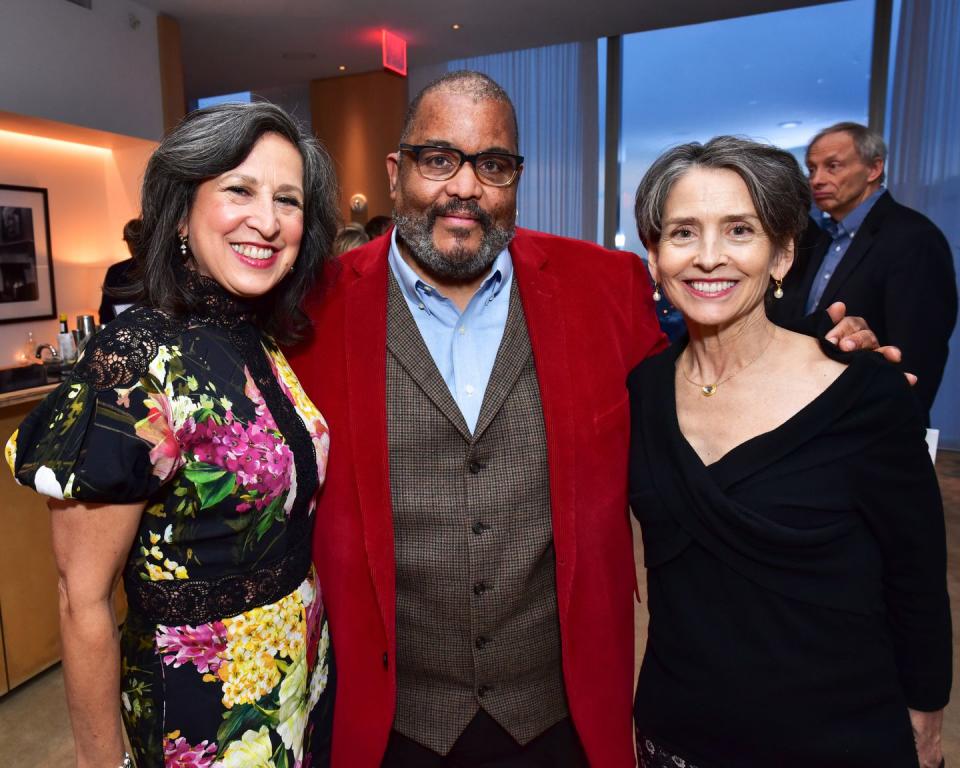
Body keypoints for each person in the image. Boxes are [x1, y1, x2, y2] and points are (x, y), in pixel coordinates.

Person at [287, 71, 884, 768]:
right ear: (397, 172)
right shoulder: (312, 314)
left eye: (494, 165)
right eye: (439, 159)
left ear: (516, 178)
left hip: (560, 716)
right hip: (389, 720)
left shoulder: (606, 287)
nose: (465, 188)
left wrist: (820, 362)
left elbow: (710, 389)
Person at [6, 102, 339, 768]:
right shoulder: (134, 363)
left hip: (298, 683)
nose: (268, 222)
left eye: (288, 200)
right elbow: (83, 596)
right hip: (201, 713)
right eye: (238, 190)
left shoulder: (260, 340)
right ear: (181, 213)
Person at [628, 136, 951, 768]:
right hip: (677, 732)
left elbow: (917, 575)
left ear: (783, 254)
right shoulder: (639, 390)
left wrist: (927, 715)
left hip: (835, 735)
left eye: (740, 230)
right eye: (683, 233)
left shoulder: (864, 389)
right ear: (655, 258)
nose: (709, 257)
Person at [768, 122, 957, 423]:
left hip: (870, 420)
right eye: (812, 169)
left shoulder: (913, 237)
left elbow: (919, 351)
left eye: (833, 166)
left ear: (873, 169)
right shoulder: (821, 238)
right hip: (809, 412)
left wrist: (898, 427)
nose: (817, 179)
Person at [98, 218, 141, 324]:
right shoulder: (115, 271)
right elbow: (105, 314)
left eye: (135, 241)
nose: (133, 246)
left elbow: (105, 315)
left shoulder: (116, 270)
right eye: (130, 242)